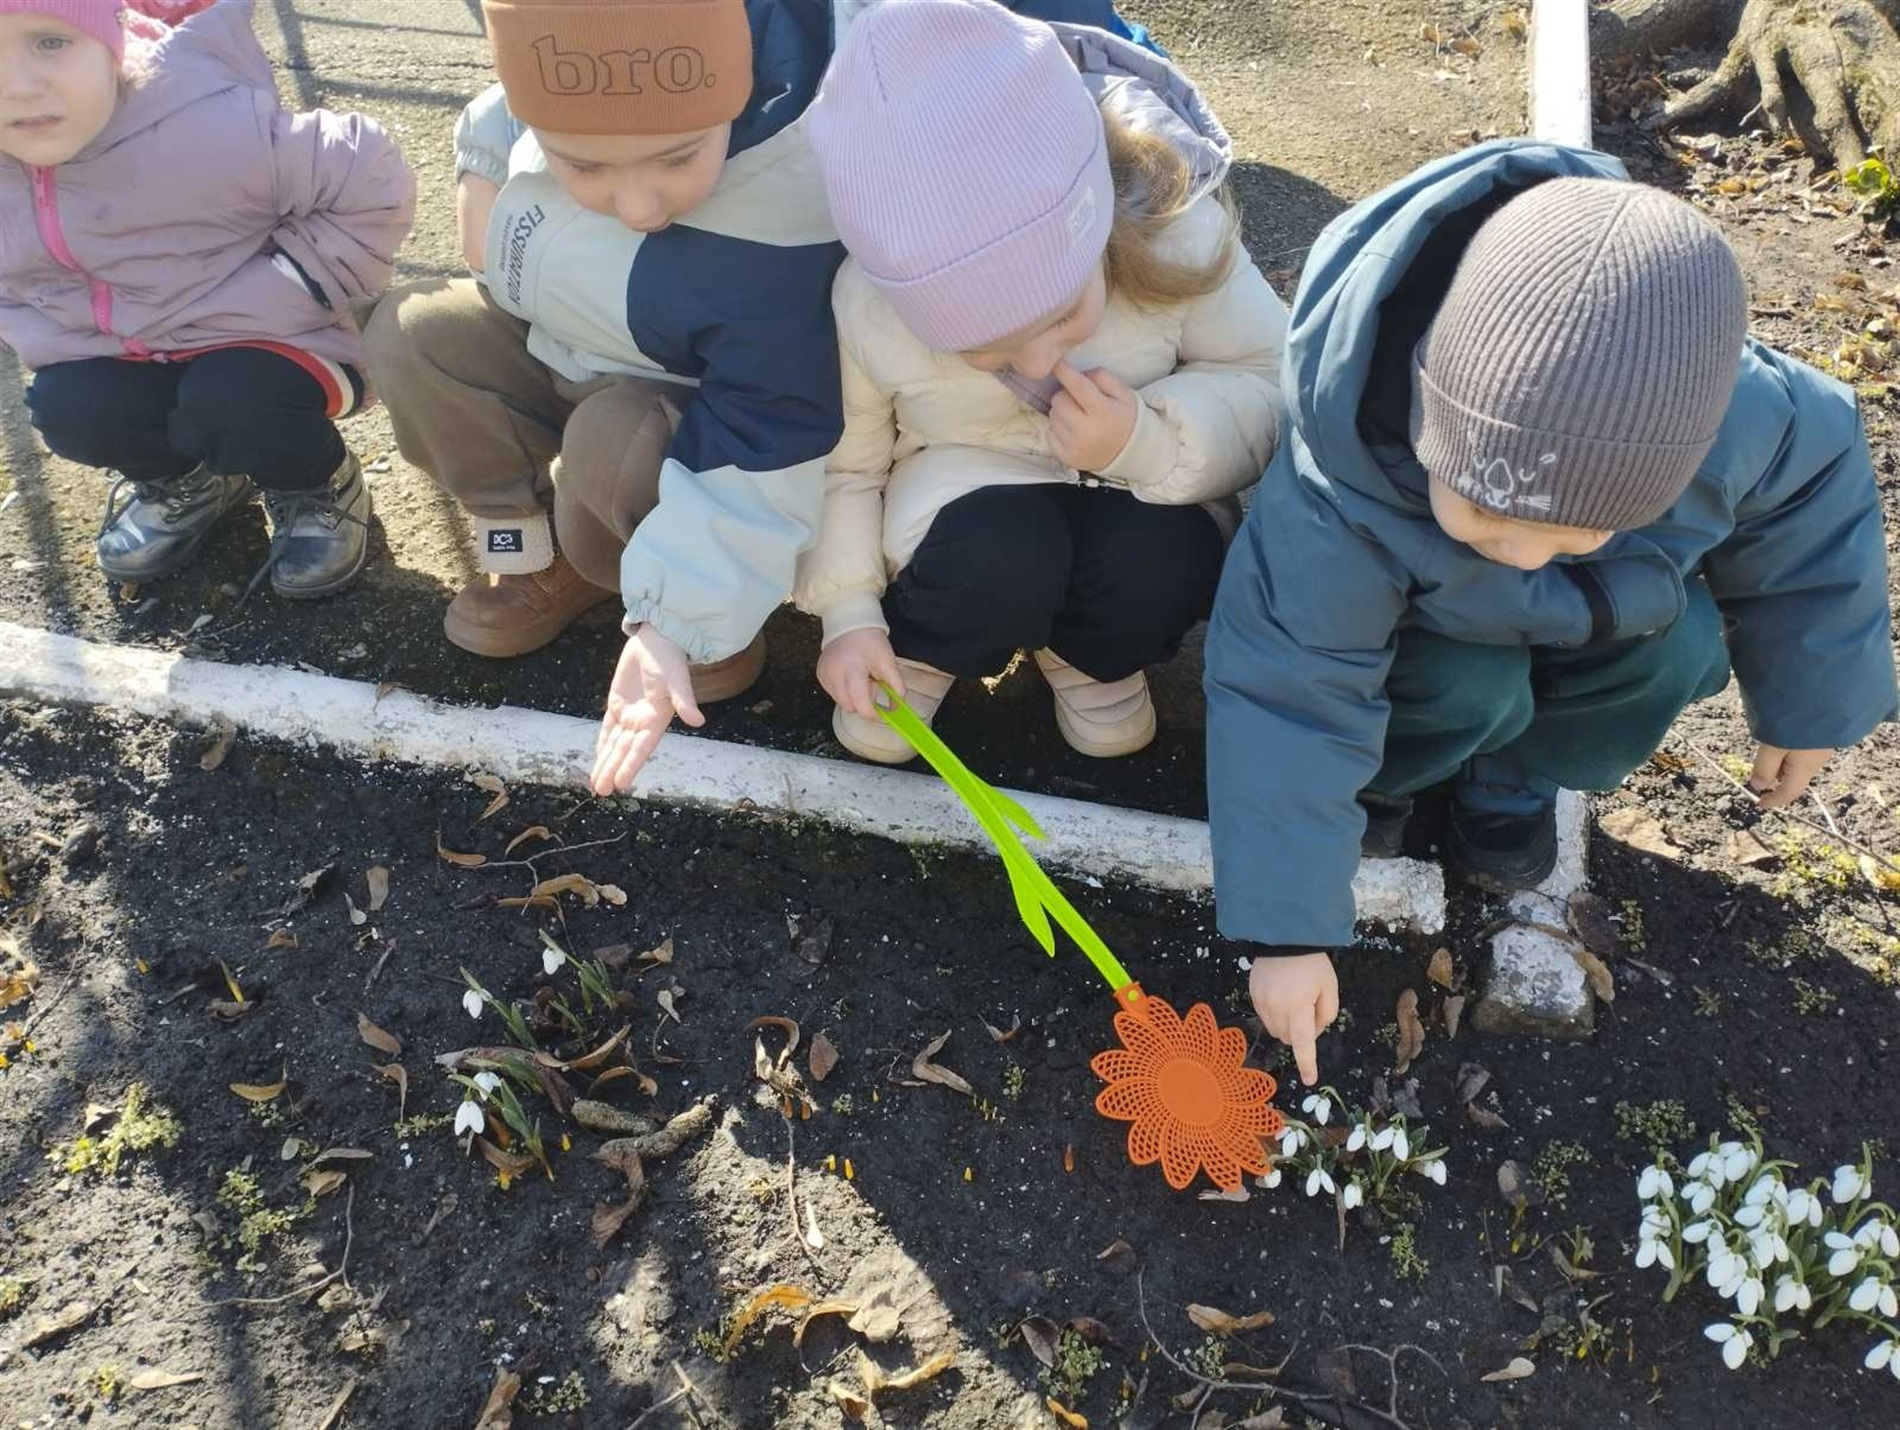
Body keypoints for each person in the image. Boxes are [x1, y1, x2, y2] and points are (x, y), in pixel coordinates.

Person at [1206, 139, 1899, 1085]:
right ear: (1426, 412)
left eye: (1570, 533)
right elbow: (1293, 690)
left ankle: (1512, 784)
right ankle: (1385, 785)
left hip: (1603, 622)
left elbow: (1817, 521)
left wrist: (1812, 706)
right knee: (1462, 682)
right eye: (1483, 515)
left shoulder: (1737, 409)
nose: (1520, 554)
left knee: (1681, 647)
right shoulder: (1345, 478)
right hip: (1430, 649)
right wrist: (1286, 927)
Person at [798, 0, 1286, 763]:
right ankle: (925, 648)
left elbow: (1267, 377)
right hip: (963, 499)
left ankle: (1094, 658)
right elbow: (847, 465)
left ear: (1096, 225)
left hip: (1141, 485)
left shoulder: (1177, 233)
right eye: (985, 351)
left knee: (1161, 560)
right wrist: (852, 615)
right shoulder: (870, 305)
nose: (1033, 364)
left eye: (1060, 315)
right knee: (995, 556)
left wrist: (1148, 443)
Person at [1, 0, 415, 597]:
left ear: (109, 41)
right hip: (114, 349)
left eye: (49, 43)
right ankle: (185, 482)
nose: (17, 86)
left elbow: (368, 171)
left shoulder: (201, 122)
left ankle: (314, 482)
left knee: (239, 404)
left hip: (262, 340)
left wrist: (301, 282)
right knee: (72, 409)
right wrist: (34, 327)